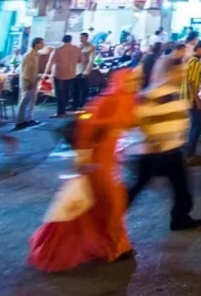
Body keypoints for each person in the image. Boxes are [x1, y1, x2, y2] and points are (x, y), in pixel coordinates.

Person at [27, 69, 141, 272]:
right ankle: (114, 247)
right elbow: (87, 129)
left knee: (99, 207)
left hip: (110, 159)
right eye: (132, 79)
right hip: (97, 162)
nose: (135, 82)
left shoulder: (127, 99)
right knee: (111, 204)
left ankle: (112, 247)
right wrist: (83, 158)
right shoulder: (107, 100)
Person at [126, 57, 201, 231]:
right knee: (136, 188)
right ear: (168, 72)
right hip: (155, 152)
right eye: (178, 72)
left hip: (172, 150)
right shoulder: (153, 94)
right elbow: (141, 117)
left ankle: (180, 218)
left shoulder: (175, 92)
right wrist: (153, 139)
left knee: (181, 187)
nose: (181, 75)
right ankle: (110, 216)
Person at [182, 41, 201, 160]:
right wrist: (197, 100)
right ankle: (189, 152)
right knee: (199, 124)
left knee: (196, 123)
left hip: (188, 96)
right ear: (198, 49)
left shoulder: (192, 61)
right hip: (191, 97)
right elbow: (191, 82)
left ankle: (190, 149)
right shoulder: (196, 63)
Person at [45, 35, 82, 117]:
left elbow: (50, 62)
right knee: (67, 93)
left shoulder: (57, 50)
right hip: (72, 73)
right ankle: (64, 110)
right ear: (71, 40)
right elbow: (80, 60)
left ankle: (60, 112)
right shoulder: (77, 49)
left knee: (60, 94)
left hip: (59, 74)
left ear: (62, 40)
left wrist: (45, 73)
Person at [15, 38, 45, 130]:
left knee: (32, 101)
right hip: (28, 81)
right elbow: (26, 71)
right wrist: (28, 81)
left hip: (33, 80)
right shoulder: (29, 56)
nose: (43, 45)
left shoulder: (36, 55)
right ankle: (20, 121)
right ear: (36, 44)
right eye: (42, 43)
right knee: (25, 101)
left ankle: (29, 119)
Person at [75, 32, 97, 110]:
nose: (80, 39)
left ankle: (82, 103)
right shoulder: (78, 47)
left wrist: (87, 71)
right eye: (80, 38)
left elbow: (91, 60)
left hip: (84, 69)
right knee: (76, 88)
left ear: (86, 38)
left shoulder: (91, 47)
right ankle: (75, 104)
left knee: (83, 88)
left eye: (82, 37)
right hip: (76, 69)